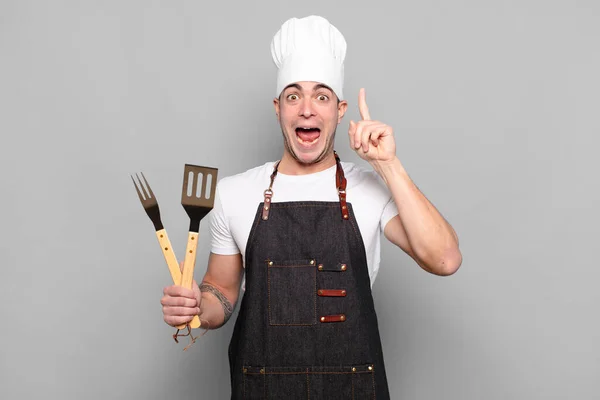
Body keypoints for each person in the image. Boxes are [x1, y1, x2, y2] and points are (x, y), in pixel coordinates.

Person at [160, 15, 461, 399]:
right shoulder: (233, 193)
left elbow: (445, 259)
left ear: (340, 109)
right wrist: (197, 307)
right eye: (293, 95)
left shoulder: (368, 188)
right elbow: (220, 292)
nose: (306, 109)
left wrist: (387, 165)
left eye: (321, 96)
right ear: (277, 107)